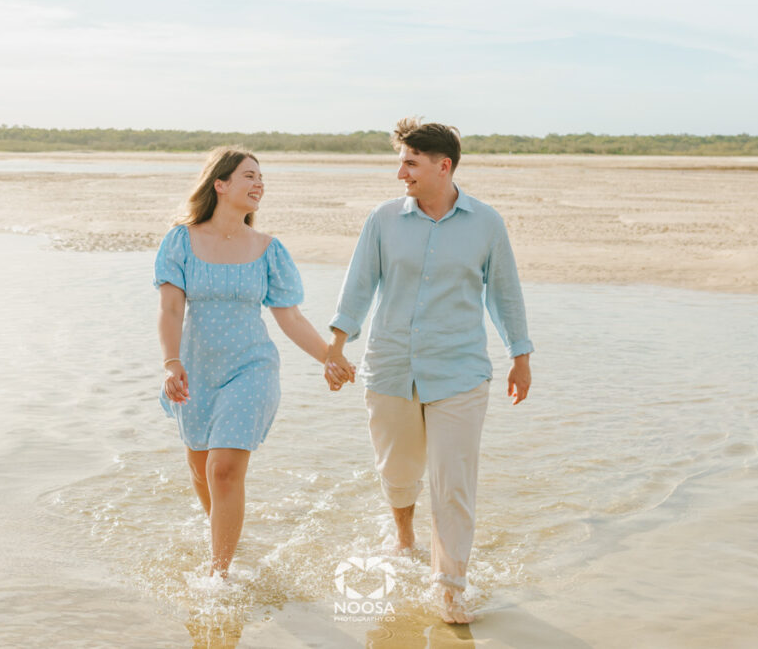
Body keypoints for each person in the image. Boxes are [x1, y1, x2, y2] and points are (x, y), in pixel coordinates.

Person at [326, 118, 532, 623]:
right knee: (398, 474)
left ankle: (450, 585)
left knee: (452, 482)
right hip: (391, 368)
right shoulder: (383, 220)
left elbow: (504, 294)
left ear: (444, 166)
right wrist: (335, 346)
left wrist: (520, 356)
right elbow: (359, 286)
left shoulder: (486, 223)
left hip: (460, 372)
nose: (401, 173)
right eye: (401, 162)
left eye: (410, 163)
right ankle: (403, 535)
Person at [155, 146, 353, 578]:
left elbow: (291, 316)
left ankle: (218, 575)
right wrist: (172, 363)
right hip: (194, 370)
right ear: (220, 184)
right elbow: (171, 310)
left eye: (261, 177)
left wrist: (329, 357)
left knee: (224, 470)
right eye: (249, 176)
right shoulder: (181, 241)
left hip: (251, 368)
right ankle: (224, 536)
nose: (259, 184)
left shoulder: (268, 249)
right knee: (202, 469)